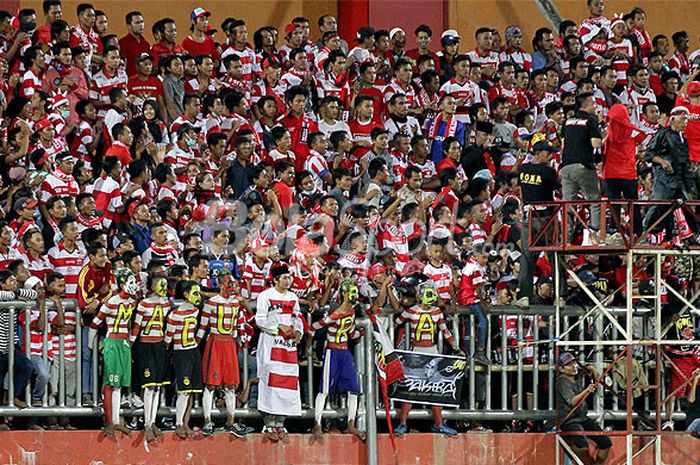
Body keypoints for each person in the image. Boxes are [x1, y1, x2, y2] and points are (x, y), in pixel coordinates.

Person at [394, 281, 464, 436]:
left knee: (435, 390)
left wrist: (456, 348)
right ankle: (403, 423)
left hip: (432, 351)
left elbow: (445, 332)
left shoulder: (437, 312)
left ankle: (439, 424)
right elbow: (395, 323)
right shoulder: (411, 311)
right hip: (416, 352)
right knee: (410, 388)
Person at [308, 279, 365, 441]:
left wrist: (362, 333)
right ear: (344, 294)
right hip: (332, 352)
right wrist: (308, 347)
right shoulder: (335, 313)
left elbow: (351, 333)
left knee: (354, 389)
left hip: (345, 352)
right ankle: (317, 423)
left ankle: (351, 423)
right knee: (324, 389)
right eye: (351, 292)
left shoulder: (351, 312)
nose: (354, 295)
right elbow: (314, 328)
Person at [197, 270, 252, 437]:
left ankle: (231, 421)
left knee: (231, 385)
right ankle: (207, 421)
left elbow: (243, 320)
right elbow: (202, 328)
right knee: (210, 385)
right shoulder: (211, 303)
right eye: (230, 283)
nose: (233, 286)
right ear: (221, 285)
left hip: (229, 344)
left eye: (234, 283)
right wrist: (195, 347)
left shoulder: (236, 303)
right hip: (214, 343)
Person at [88, 268, 140, 437]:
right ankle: (108, 421)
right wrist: (91, 345)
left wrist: (130, 342)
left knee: (119, 384)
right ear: (123, 284)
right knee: (110, 384)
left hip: (124, 344)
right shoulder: (111, 302)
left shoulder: (132, 302)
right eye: (131, 281)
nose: (135, 285)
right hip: (113, 342)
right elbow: (95, 323)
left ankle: (117, 421)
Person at [255, 264, 304, 442]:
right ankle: (269, 422)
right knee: (270, 381)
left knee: (288, 382)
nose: (288, 280)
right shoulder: (265, 296)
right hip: (270, 344)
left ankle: (281, 422)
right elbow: (260, 320)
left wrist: (299, 332)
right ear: (275, 279)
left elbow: (298, 318)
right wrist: (278, 327)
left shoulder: (292, 297)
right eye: (284, 277)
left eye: (289, 277)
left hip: (288, 347)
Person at [130, 274, 171, 442]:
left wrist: (166, 346)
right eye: (160, 284)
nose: (163, 286)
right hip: (145, 346)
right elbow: (136, 328)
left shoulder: (167, 303)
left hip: (159, 345)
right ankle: (147, 423)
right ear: (152, 287)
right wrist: (130, 347)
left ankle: (152, 421)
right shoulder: (143, 304)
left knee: (158, 387)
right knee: (149, 386)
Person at [560, 92, 603, 241]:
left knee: (568, 204)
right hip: (583, 166)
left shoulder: (568, 121)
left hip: (565, 167)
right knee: (595, 200)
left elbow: (563, 145)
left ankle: (565, 239)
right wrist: (604, 132)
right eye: (594, 103)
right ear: (586, 105)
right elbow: (596, 144)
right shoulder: (590, 120)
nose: (596, 106)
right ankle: (594, 237)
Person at [556, 352, 611, 465]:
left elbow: (589, 370)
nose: (574, 366)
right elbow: (573, 401)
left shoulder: (577, 375)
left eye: (574, 363)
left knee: (605, 443)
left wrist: (593, 370)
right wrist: (587, 390)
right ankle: (571, 453)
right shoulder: (562, 382)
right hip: (568, 420)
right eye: (569, 365)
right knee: (583, 447)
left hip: (582, 418)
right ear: (561, 369)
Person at [165, 280, 204, 439]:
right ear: (186, 294)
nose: (198, 296)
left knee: (192, 391)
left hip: (193, 351)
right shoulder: (175, 314)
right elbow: (168, 338)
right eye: (195, 293)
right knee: (184, 390)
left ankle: (185, 422)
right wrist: (168, 355)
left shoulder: (196, 310)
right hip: (181, 353)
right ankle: (179, 423)